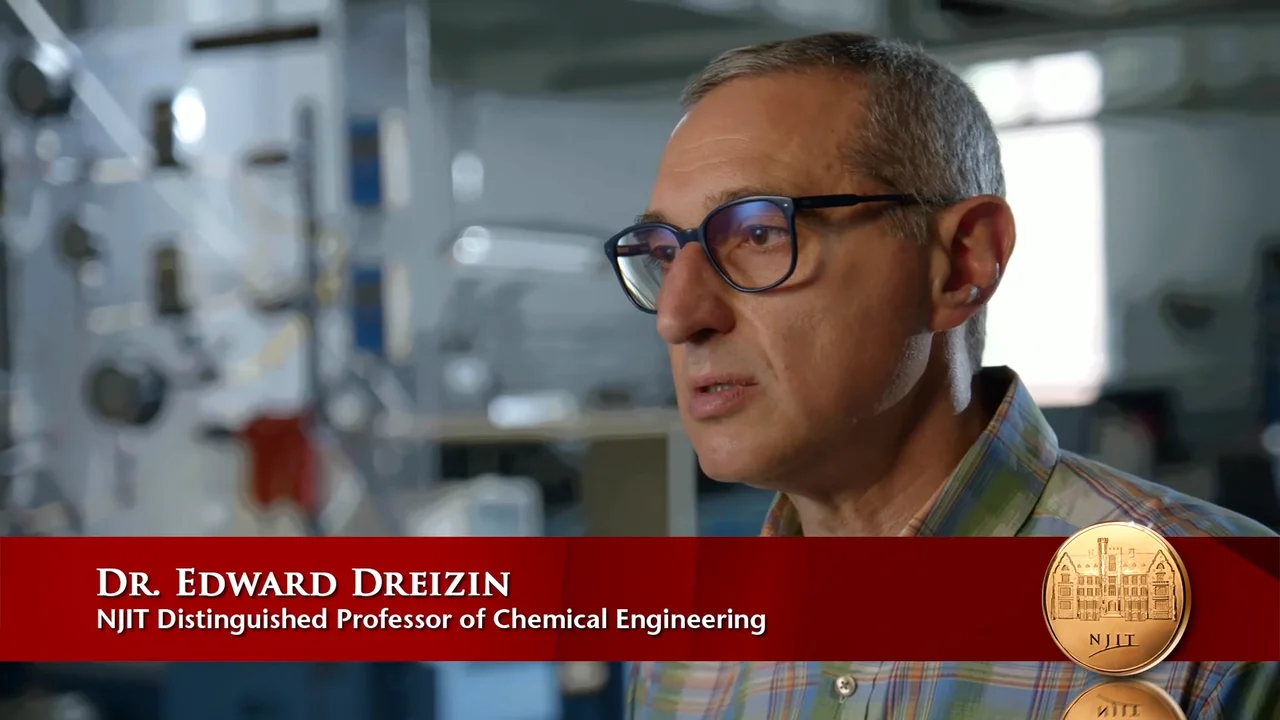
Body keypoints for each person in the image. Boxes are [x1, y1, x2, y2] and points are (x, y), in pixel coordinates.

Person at [602, 31, 1278, 720]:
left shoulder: (1228, 631)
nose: (677, 317)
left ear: (961, 263)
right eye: (664, 253)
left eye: (758, 234)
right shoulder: (683, 658)